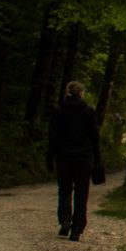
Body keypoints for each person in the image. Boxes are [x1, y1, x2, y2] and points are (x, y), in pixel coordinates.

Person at [48, 80, 101, 240]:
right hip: (83, 158)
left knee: (64, 190)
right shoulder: (88, 111)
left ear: (67, 92)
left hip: (64, 156)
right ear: (81, 93)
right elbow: (94, 137)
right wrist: (98, 158)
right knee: (81, 193)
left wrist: (50, 156)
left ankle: (65, 219)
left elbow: (54, 137)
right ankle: (77, 229)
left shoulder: (58, 111)